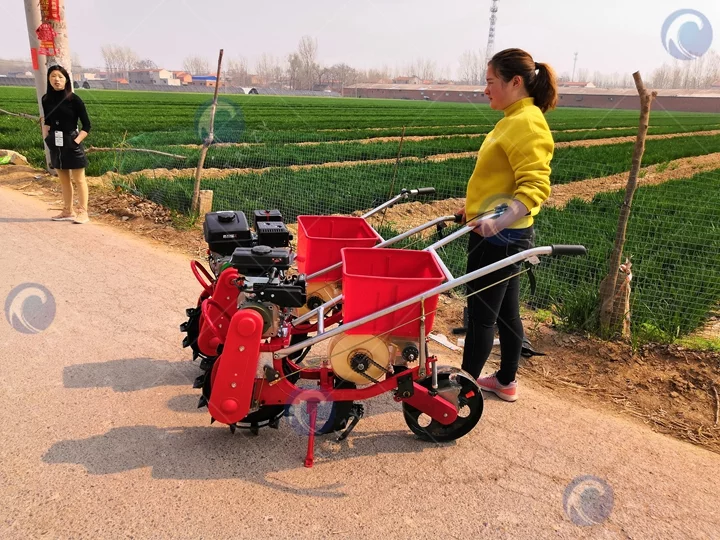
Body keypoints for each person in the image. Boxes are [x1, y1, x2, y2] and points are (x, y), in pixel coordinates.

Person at [459, 48, 557, 402]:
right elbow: (500, 178)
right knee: (506, 312)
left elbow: (535, 187)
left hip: (501, 238)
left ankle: (461, 391)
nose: (485, 89)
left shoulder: (526, 122)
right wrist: (471, 209)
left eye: (490, 82)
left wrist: (496, 221)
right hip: (505, 234)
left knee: (482, 316)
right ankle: (505, 380)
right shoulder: (514, 118)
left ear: (515, 82)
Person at [41, 64, 92, 224]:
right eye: (53, 76)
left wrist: (75, 142)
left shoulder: (74, 99)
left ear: (66, 80)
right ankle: (67, 210)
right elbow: (47, 122)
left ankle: (83, 212)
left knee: (79, 179)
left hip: (71, 140)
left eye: (60, 77)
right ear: (49, 80)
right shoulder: (46, 99)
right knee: (63, 179)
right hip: (55, 142)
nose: (56, 79)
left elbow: (87, 126)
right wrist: (47, 139)